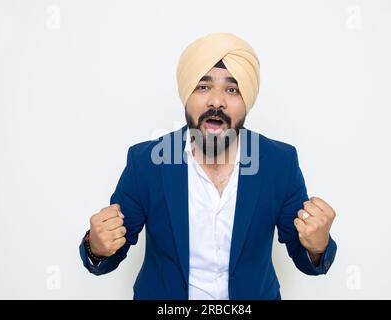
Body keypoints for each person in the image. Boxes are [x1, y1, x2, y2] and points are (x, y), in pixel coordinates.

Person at [79, 32, 337, 300]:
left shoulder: (279, 163)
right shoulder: (146, 162)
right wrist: (96, 246)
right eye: (203, 87)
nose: (216, 101)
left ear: (247, 99)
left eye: (232, 89)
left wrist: (317, 246)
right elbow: (108, 252)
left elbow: (305, 256)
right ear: (186, 95)